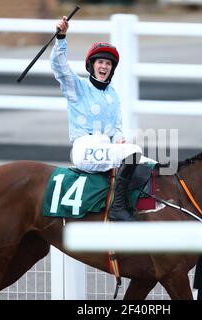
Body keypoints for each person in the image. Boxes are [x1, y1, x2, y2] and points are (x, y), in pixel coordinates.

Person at [50, 16, 142, 221]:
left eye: (108, 63)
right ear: (91, 65)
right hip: (85, 150)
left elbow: (116, 130)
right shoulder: (78, 87)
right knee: (134, 153)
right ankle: (118, 208)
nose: (104, 66)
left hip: (106, 148)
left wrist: (119, 140)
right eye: (100, 61)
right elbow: (60, 67)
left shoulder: (113, 95)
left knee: (147, 162)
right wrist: (61, 38)